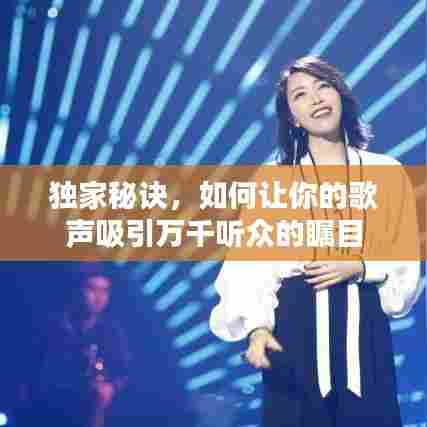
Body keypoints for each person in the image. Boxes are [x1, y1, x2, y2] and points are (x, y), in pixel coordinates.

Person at [209, 56, 422, 427]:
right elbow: (249, 265)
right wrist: (258, 328)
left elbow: (405, 262)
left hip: (364, 330)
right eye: (300, 94)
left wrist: (361, 267)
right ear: (292, 116)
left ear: (341, 95)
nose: (316, 99)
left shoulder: (386, 172)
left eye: (323, 86)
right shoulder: (275, 179)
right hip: (295, 330)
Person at [17, 268, 131, 427]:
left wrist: (110, 388)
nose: (99, 297)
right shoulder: (51, 326)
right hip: (46, 409)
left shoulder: (111, 332)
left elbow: (123, 371)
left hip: (85, 413)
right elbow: (27, 369)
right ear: (78, 291)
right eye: (92, 289)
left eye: (104, 291)